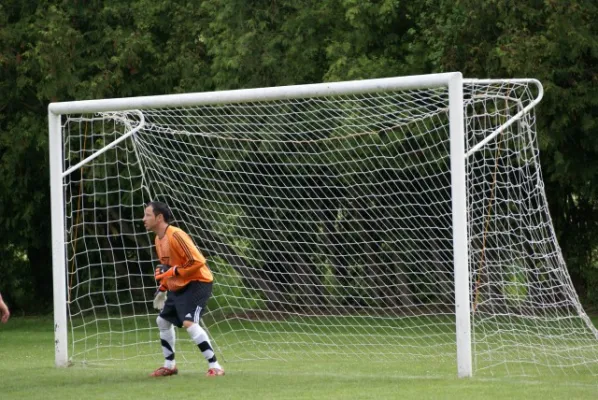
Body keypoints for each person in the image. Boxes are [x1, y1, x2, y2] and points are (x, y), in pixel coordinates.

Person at [143, 201, 224, 377]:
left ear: (159, 217)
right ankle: (169, 365)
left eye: (147, 215)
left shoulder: (176, 235)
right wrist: (163, 288)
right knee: (162, 321)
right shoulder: (158, 238)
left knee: (189, 322)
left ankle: (216, 366)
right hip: (179, 284)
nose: (144, 219)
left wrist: (172, 271)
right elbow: (168, 267)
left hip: (198, 281)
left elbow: (198, 262)